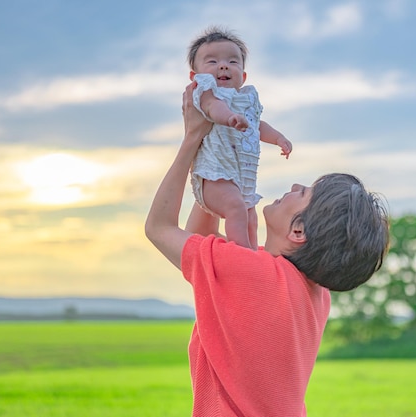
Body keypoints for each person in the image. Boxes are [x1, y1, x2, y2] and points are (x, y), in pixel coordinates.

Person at [145, 82, 390, 416]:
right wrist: (225, 168)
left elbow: (159, 228)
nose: (293, 186)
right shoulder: (313, 294)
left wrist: (193, 139)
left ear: (299, 230)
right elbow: (202, 245)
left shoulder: (255, 276)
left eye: (304, 193)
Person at [185, 26, 293, 249]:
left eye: (232, 62)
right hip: (215, 175)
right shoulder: (207, 92)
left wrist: (278, 138)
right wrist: (230, 117)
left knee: (250, 219)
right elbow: (213, 108)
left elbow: (257, 125)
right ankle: (243, 257)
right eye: (212, 61)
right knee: (235, 208)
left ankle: (252, 253)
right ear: (196, 76)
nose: (223, 65)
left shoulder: (246, 98)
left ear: (243, 76)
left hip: (242, 178)